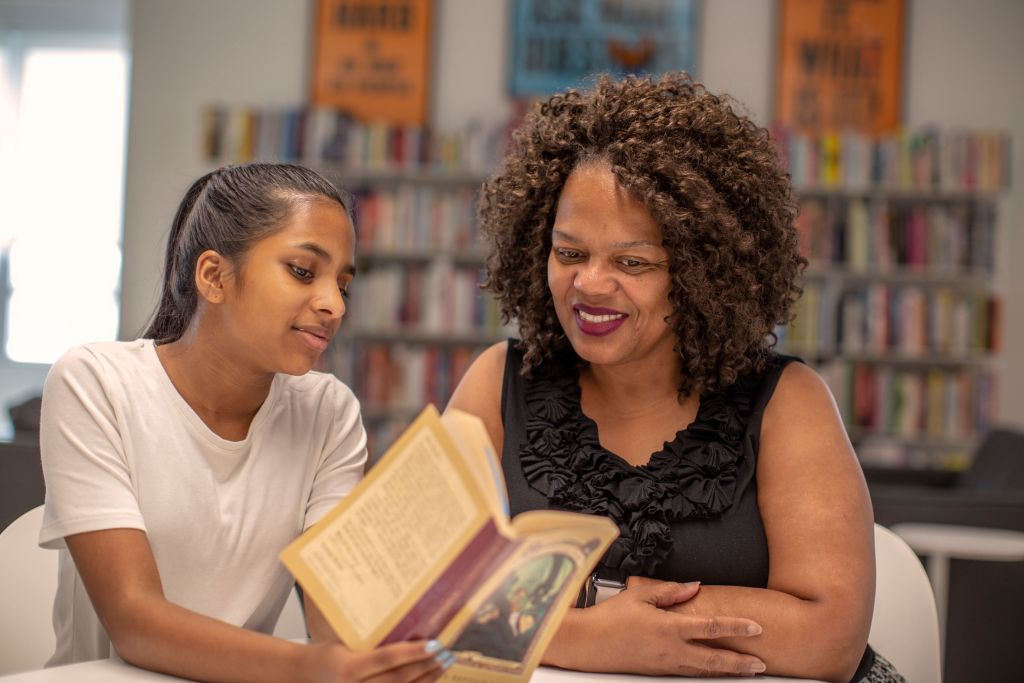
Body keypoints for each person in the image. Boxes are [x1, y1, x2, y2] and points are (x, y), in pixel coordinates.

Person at [446, 74, 903, 683]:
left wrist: (553, 621)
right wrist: (595, 636)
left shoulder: (787, 401)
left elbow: (829, 638)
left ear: (700, 271)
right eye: (570, 253)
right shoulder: (497, 383)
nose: (590, 285)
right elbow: (425, 596)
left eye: (631, 262)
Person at [38, 163, 452, 682]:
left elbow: (334, 617)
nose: (333, 304)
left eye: (344, 284)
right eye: (304, 271)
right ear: (213, 276)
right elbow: (133, 621)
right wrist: (316, 667)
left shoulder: (328, 411)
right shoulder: (95, 383)